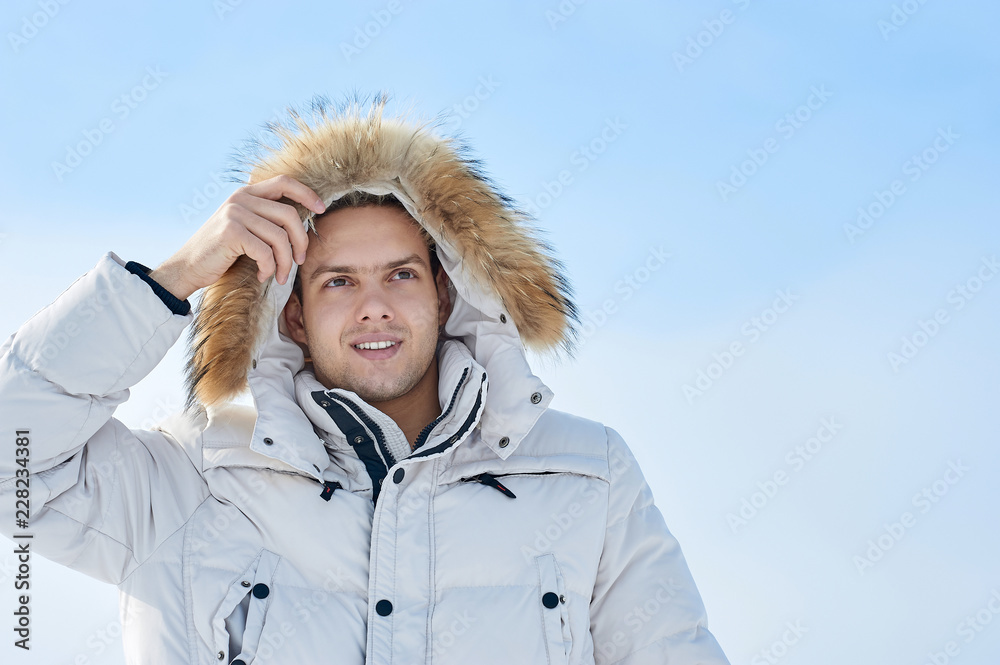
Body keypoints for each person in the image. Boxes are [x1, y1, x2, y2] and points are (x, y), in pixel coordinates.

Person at [0, 94, 729, 664]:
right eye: (338, 282)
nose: (374, 304)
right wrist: (177, 275)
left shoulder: (588, 477)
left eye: (401, 274)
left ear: (447, 293)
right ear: (291, 315)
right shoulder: (193, 477)